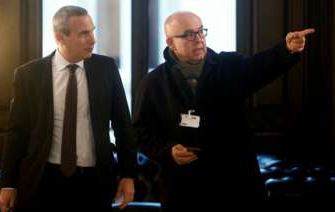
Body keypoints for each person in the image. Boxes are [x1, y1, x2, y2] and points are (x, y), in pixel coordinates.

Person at [133, 11, 314, 211]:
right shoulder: (153, 83)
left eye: (201, 32)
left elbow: (261, 66)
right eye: (189, 35)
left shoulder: (228, 66)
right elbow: (141, 133)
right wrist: (168, 150)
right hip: (183, 189)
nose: (199, 39)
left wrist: (287, 49)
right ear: (170, 42)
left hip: (234, 184)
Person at [0, 5, 137, 212]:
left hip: (94, 180)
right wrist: (7, 183)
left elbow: (123, 125)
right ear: (59, 37)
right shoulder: (29, 75)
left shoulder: (106, 68)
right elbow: (17, 132)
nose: (93, 40)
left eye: (92, 31)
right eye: (84, 34)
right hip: (42, 179)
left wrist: (128, 174)